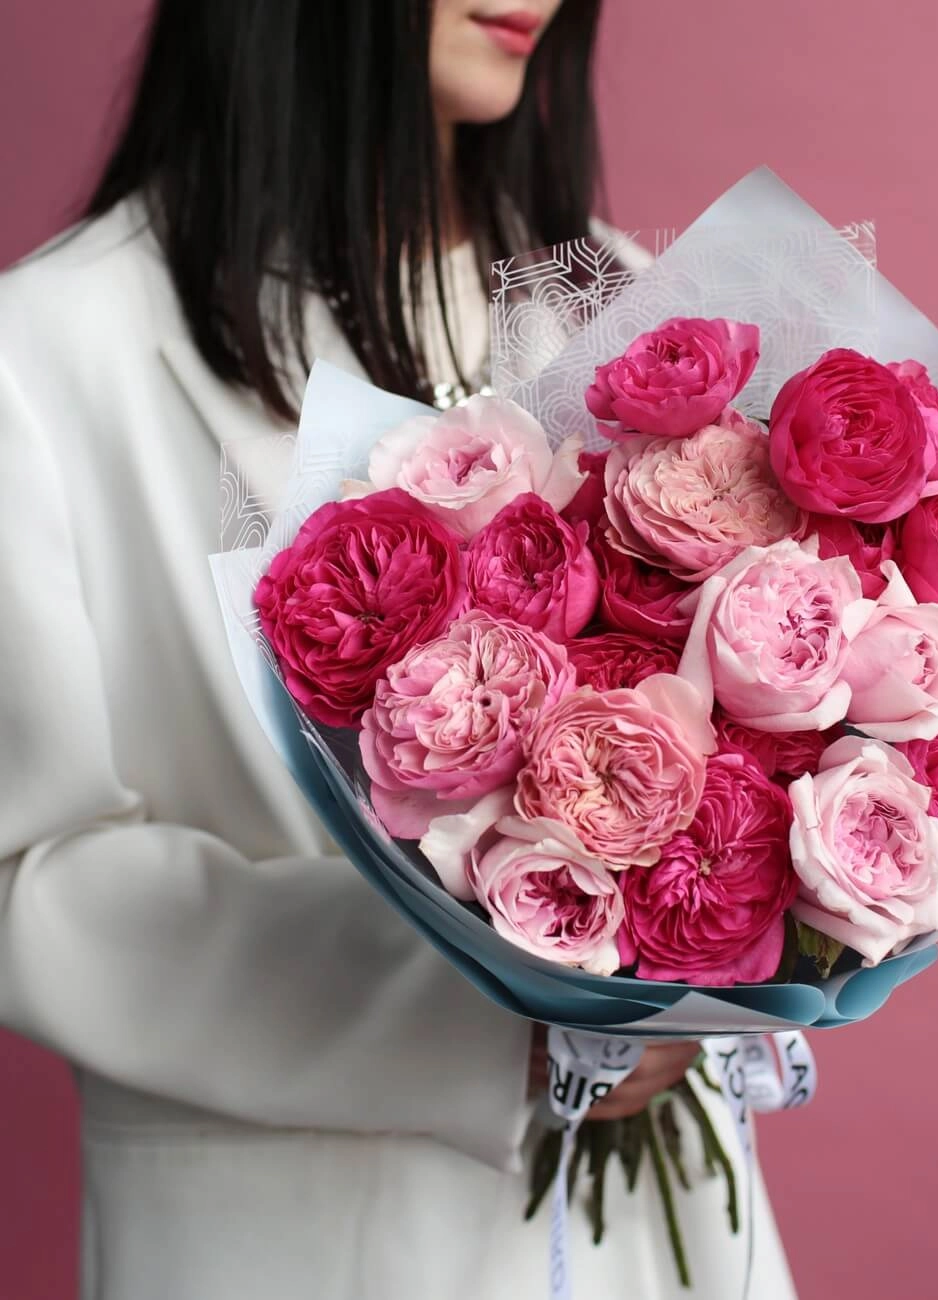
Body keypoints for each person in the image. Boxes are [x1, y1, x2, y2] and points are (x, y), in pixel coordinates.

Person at [0, 2, 797, 1297]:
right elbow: (22, 877)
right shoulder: (45, 355)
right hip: (294, 1237)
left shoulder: (610, 297)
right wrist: (474, 1013)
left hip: (665, 1243)